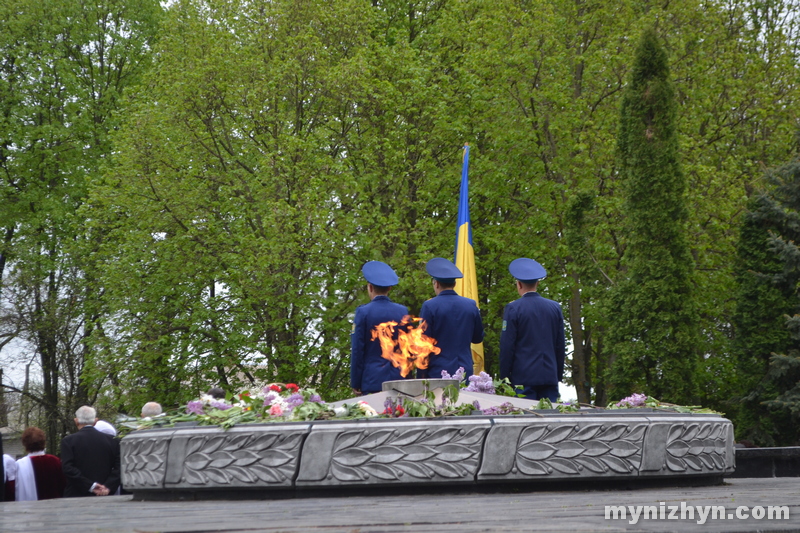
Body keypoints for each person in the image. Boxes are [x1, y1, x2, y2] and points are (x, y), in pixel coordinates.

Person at [499, 258, 566, 402]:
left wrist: (504, 377)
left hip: (523, 378)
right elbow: (560, 345)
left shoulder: (513, 308)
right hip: (549, 376)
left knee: (525, 422)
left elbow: (507, 346)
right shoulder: (554, 308)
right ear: (538, 283)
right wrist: (557, 374)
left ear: (519, 284)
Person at [417, 257, 484, 381]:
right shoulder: (470, 305)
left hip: (437, 372)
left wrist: (420, 376)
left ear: (436, 284)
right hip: (465, 371)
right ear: (454, 284)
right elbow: (477, 338)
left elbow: (424, 344)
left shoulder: (430, 306)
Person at [350, 261, 409, 395]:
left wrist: (356, 382)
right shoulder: (403, 311)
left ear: (370, 287)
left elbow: (358, 350)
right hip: (399, 379)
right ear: (389, 288)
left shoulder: (363, 312)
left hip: (372, 380)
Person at [61, 406, 121, 497]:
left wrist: (91, 486)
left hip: (76, 495)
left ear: (76, 421)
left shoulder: (68, 441)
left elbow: (68, 468)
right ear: (96, 421)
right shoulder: (113, 441)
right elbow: (120, 467)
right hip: (105, 495)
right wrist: (107, 486)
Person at [14, 427, 65, 501]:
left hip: (30, 508)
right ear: (44, 442)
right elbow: (63, 485)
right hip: (54, 507)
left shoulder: (20, 465)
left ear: (25, 444)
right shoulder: (55, 461)